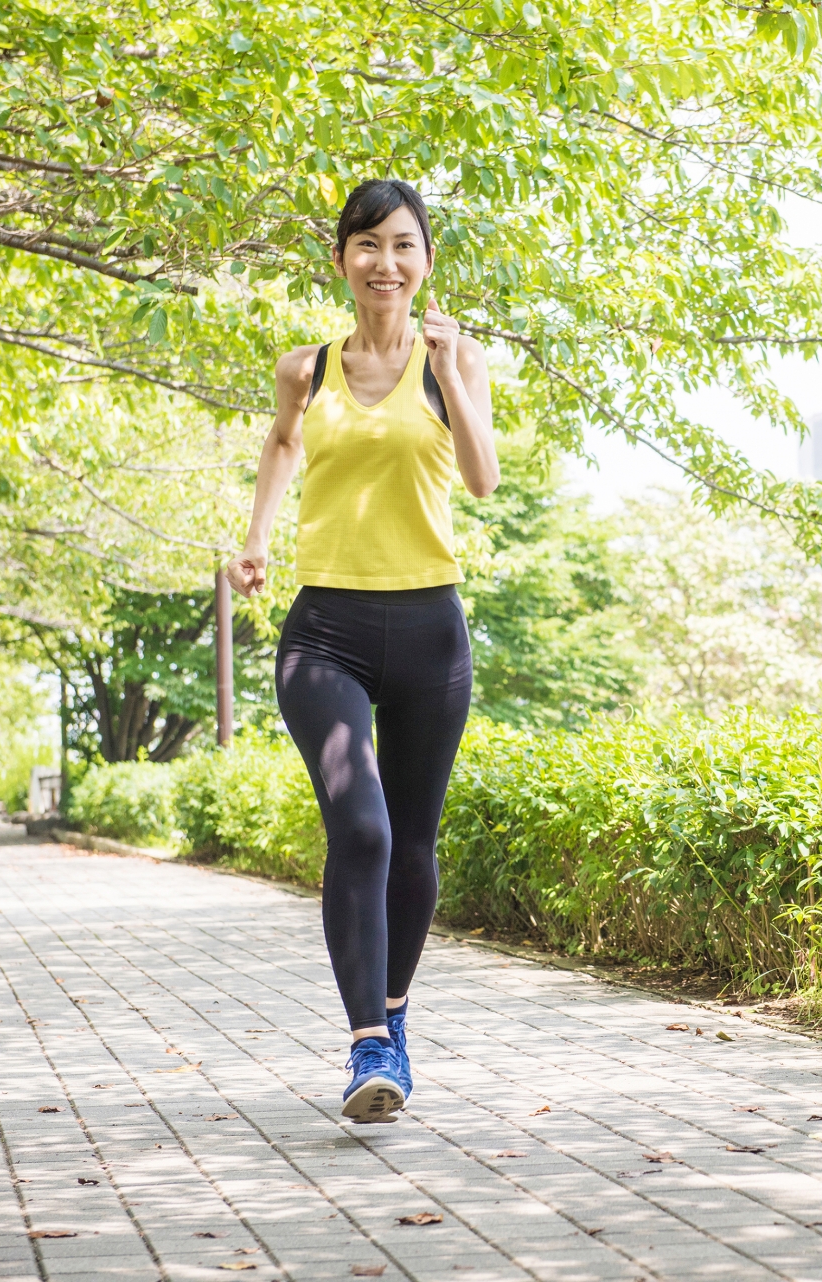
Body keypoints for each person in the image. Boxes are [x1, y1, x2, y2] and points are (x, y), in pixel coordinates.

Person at [225, 179, 497, 1122]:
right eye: (367, 245)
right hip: (326, 631)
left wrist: (455, 372)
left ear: (425, 263)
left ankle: (394, 1014)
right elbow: (281, 442)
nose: (386, 262)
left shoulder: (451, 363)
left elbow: (482, 478)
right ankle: (368, 1047)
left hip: (431, 628)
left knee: (415, 845)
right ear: (341, 260)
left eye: (404, 245)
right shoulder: (304, 367)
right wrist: (257, 539)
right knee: (365, 829)